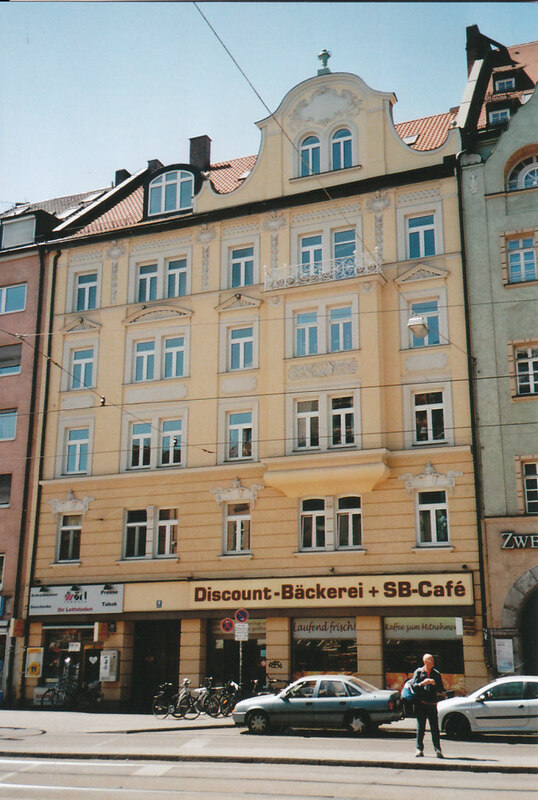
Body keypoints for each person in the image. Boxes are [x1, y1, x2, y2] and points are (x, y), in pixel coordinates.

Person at [411, 652, 446, 758]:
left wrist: (436, 686)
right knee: (420, 727)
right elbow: (413, 686)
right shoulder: (418, 672)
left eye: (433, 659)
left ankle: (438, 750)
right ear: (425, 662)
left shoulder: (436, 673)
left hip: (432, 704)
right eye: (431, 660)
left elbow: (441, 689)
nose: (433, 661)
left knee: (434, 728)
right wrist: (423, 683)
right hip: (421, 704)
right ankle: (419, 749)